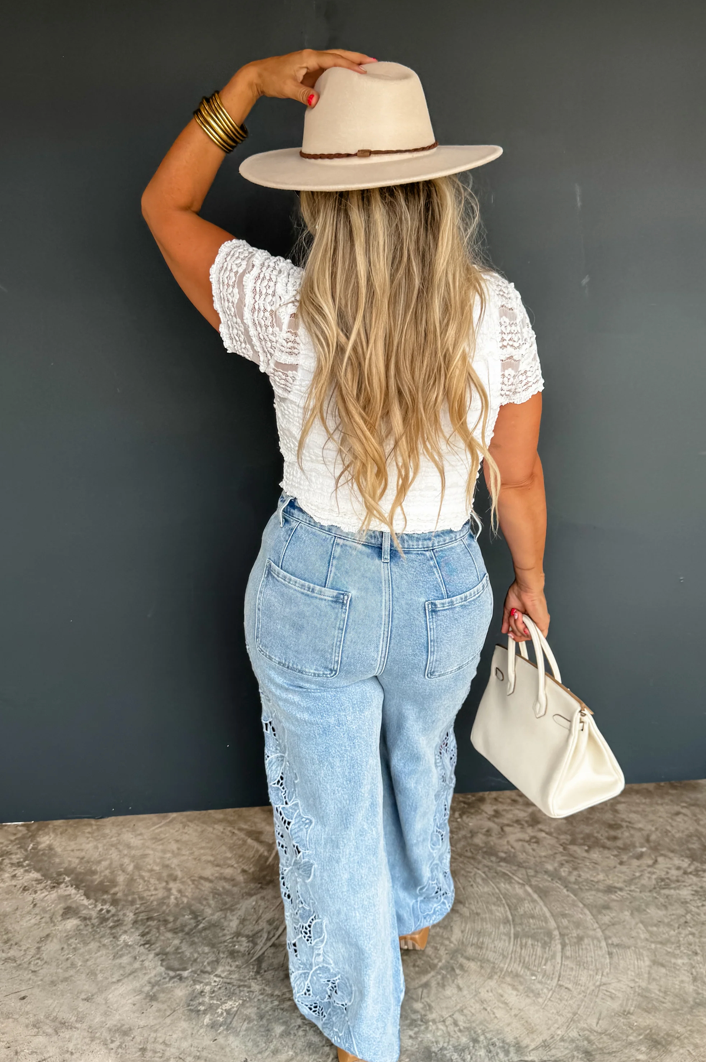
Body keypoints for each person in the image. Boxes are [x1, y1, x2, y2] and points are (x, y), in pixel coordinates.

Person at [142, 49, 549, 1062]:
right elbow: (521, 477)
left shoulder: (283, 303)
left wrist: (241, 88)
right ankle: (414, 908)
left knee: (331, 803)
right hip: (445, 582)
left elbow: (164, 205)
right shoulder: (490, 308)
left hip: (310, 583)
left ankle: (363, 1029)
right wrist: (531, 586)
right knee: (419, 749)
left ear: (323, 197)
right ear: (435, 186)